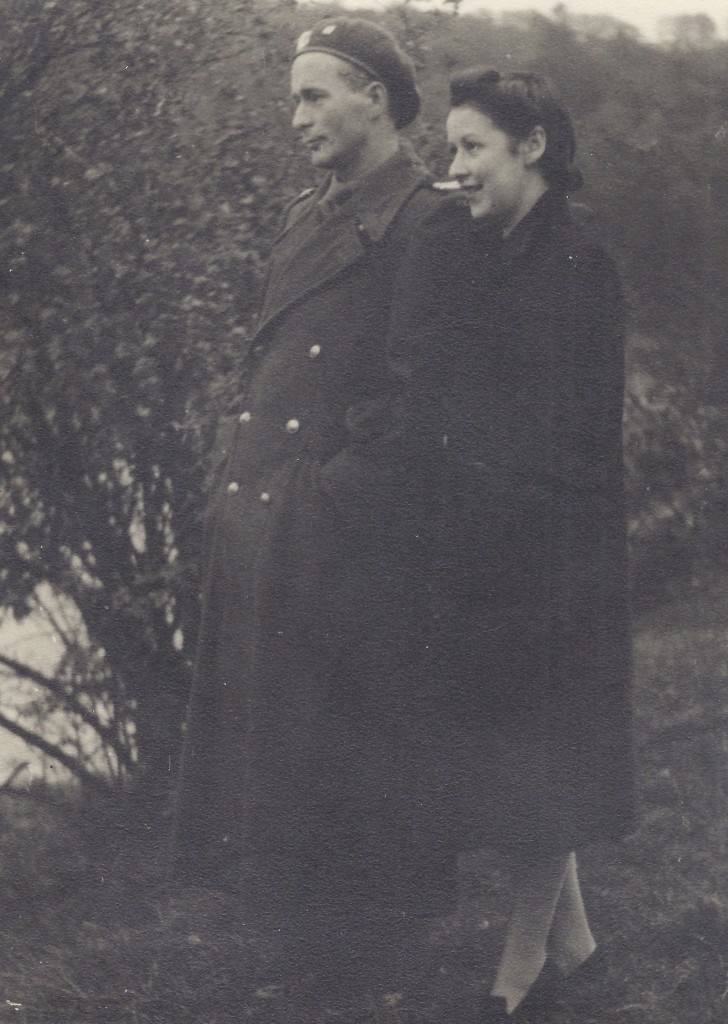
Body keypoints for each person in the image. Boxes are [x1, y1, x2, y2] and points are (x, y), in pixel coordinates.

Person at [171, 14, 448, 998]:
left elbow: (425, 406)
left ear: (376, 94)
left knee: (344, 807)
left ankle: (357, 982)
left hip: (342, 559)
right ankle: (305, 976)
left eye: (314, 94)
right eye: (294, 97)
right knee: (274, 798)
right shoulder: (307, 215)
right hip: (266, 537)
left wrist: (321, 503)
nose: (297, 117)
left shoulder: (427, 221)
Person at [387, 69, 634, 1020]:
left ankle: (514, 976)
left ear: (532, 146)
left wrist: (489, 517)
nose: (455, 169)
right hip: (500, 545)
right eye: (451, 148)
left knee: (538, 763)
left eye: (472, 148)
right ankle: (574, 950)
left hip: (553, 554)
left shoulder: (574, 259)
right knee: (522, 757)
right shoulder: (502, 248)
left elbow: (568, 438)